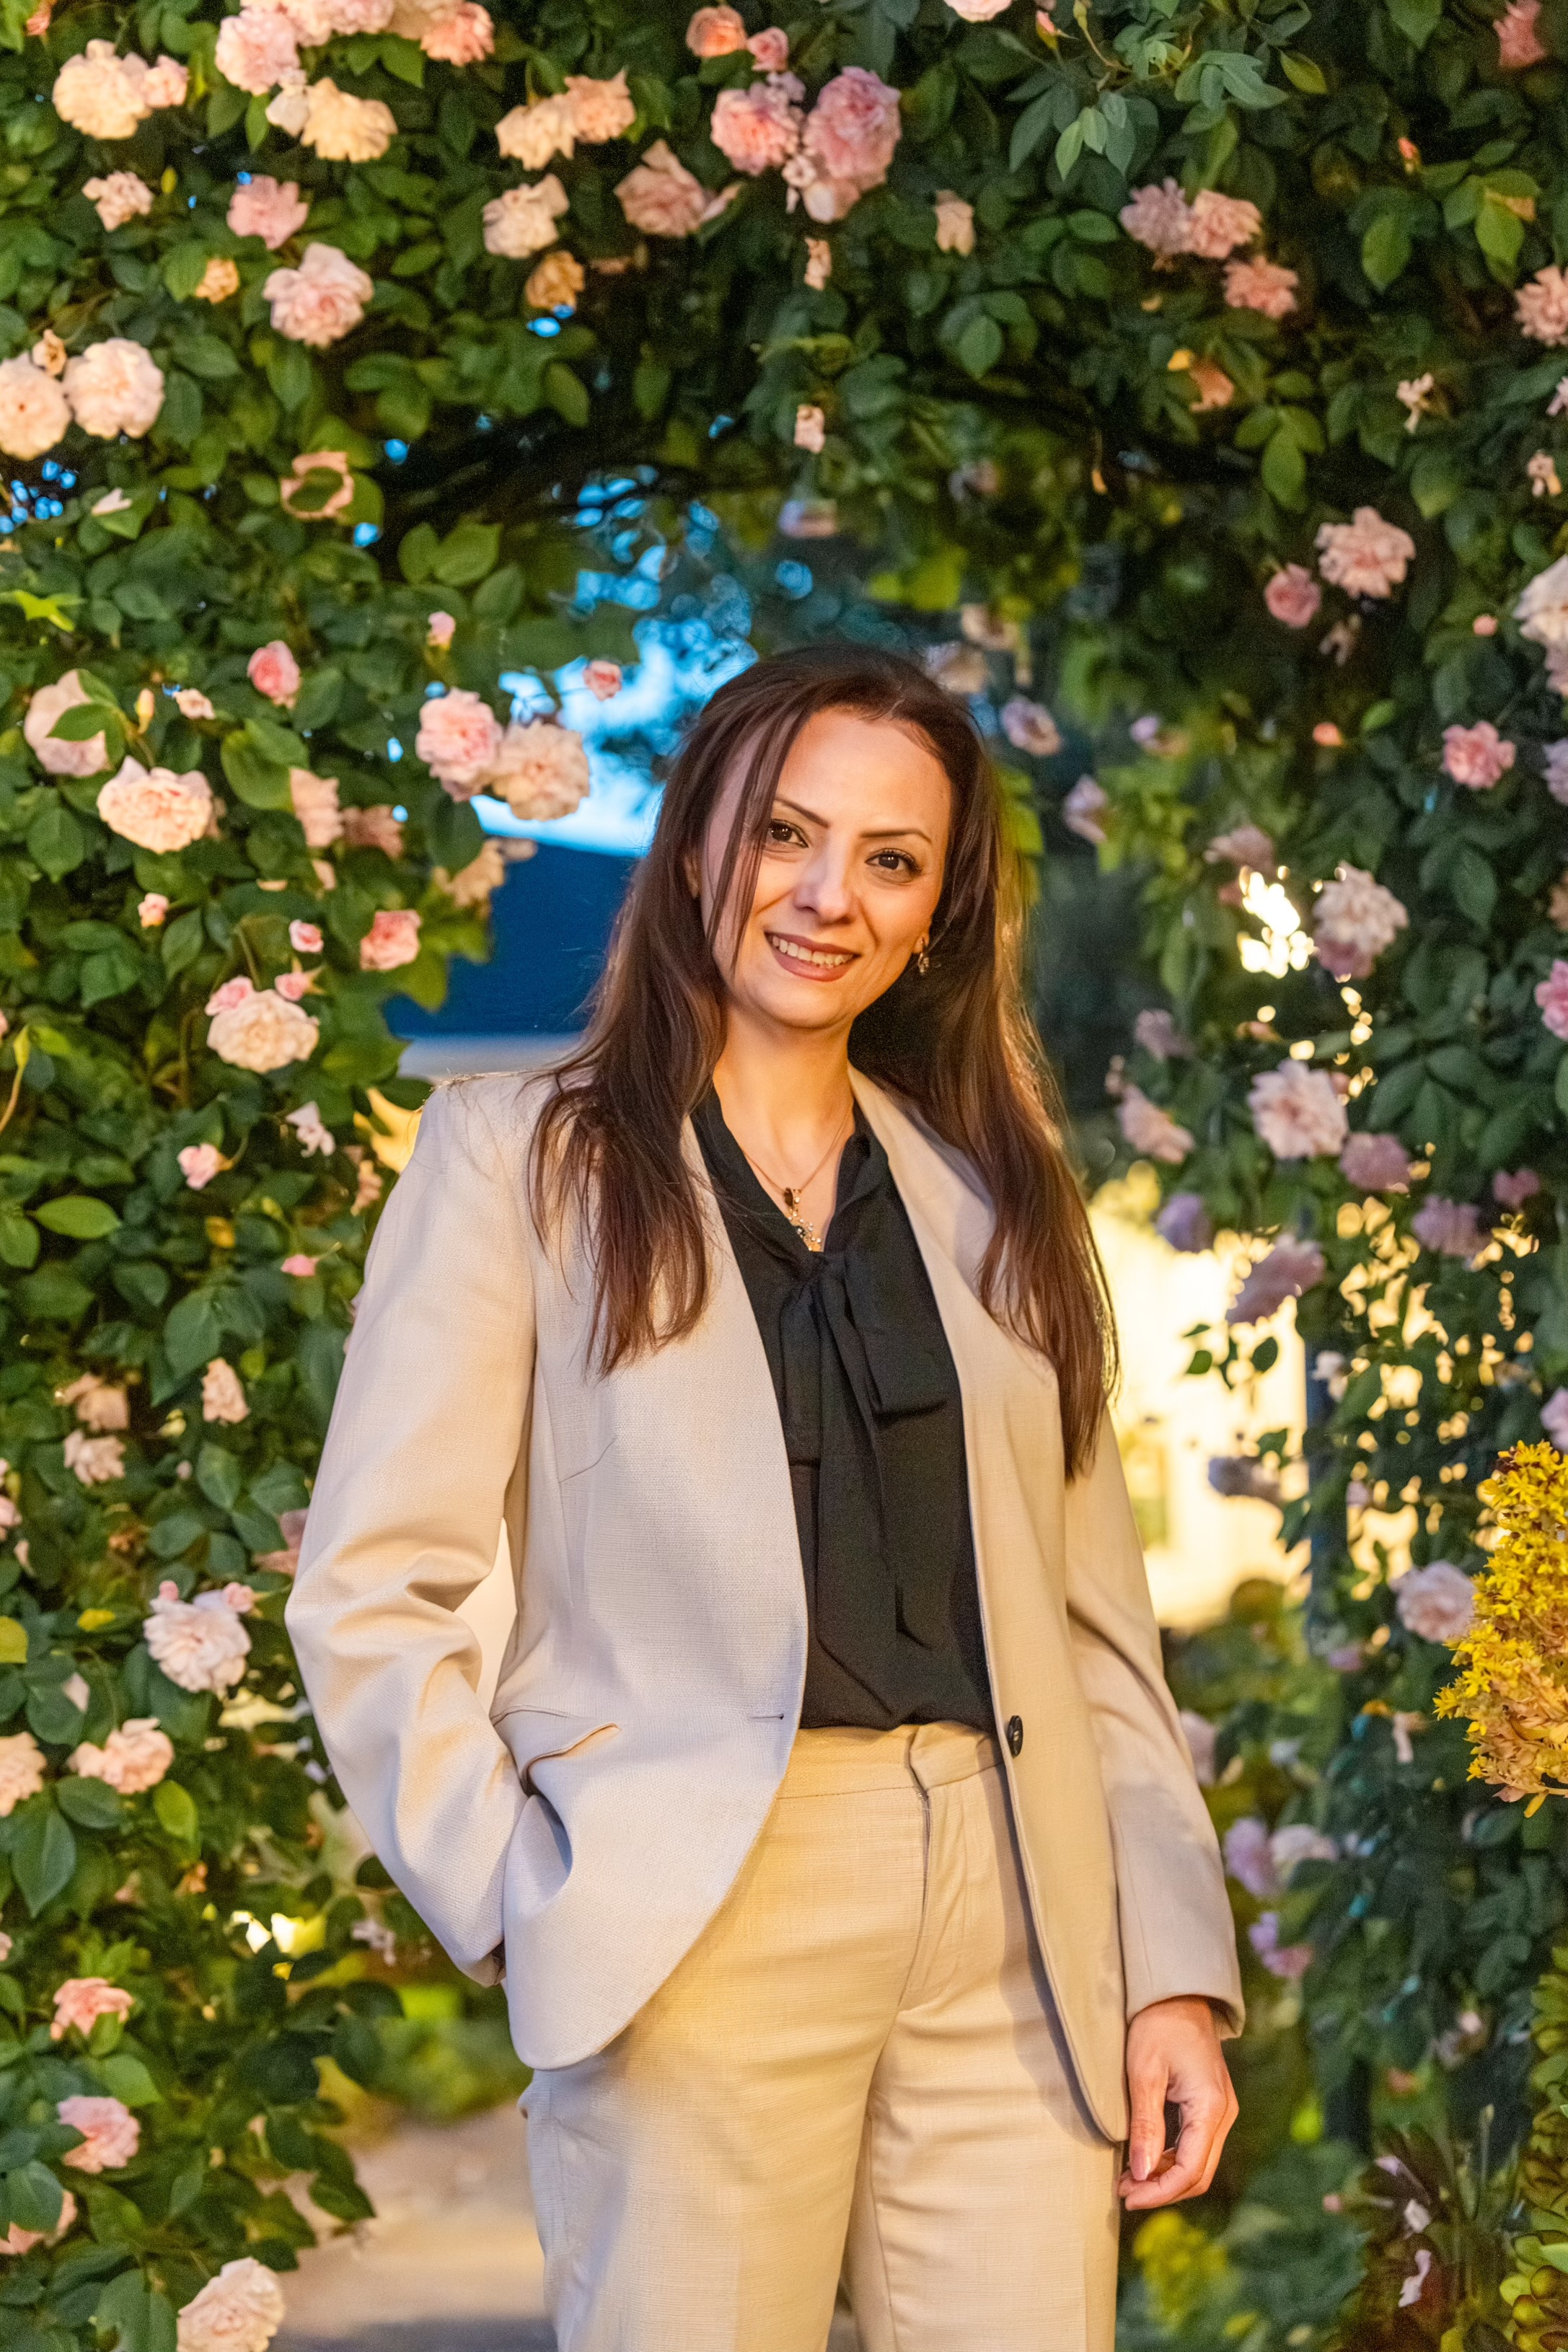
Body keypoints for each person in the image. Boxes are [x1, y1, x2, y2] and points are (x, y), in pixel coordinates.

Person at [287, 645, 1243, 2352]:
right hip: (696, 1899)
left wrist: (1169, 1964)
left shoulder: (994, 1192)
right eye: (785, 832)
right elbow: (376, 1582)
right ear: (697, 844)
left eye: (891, 858)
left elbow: (1096, 1634)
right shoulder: (519, 1160)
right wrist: (521, 1894)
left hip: (1015, 1917)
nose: (826, 895)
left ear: (938, 912)